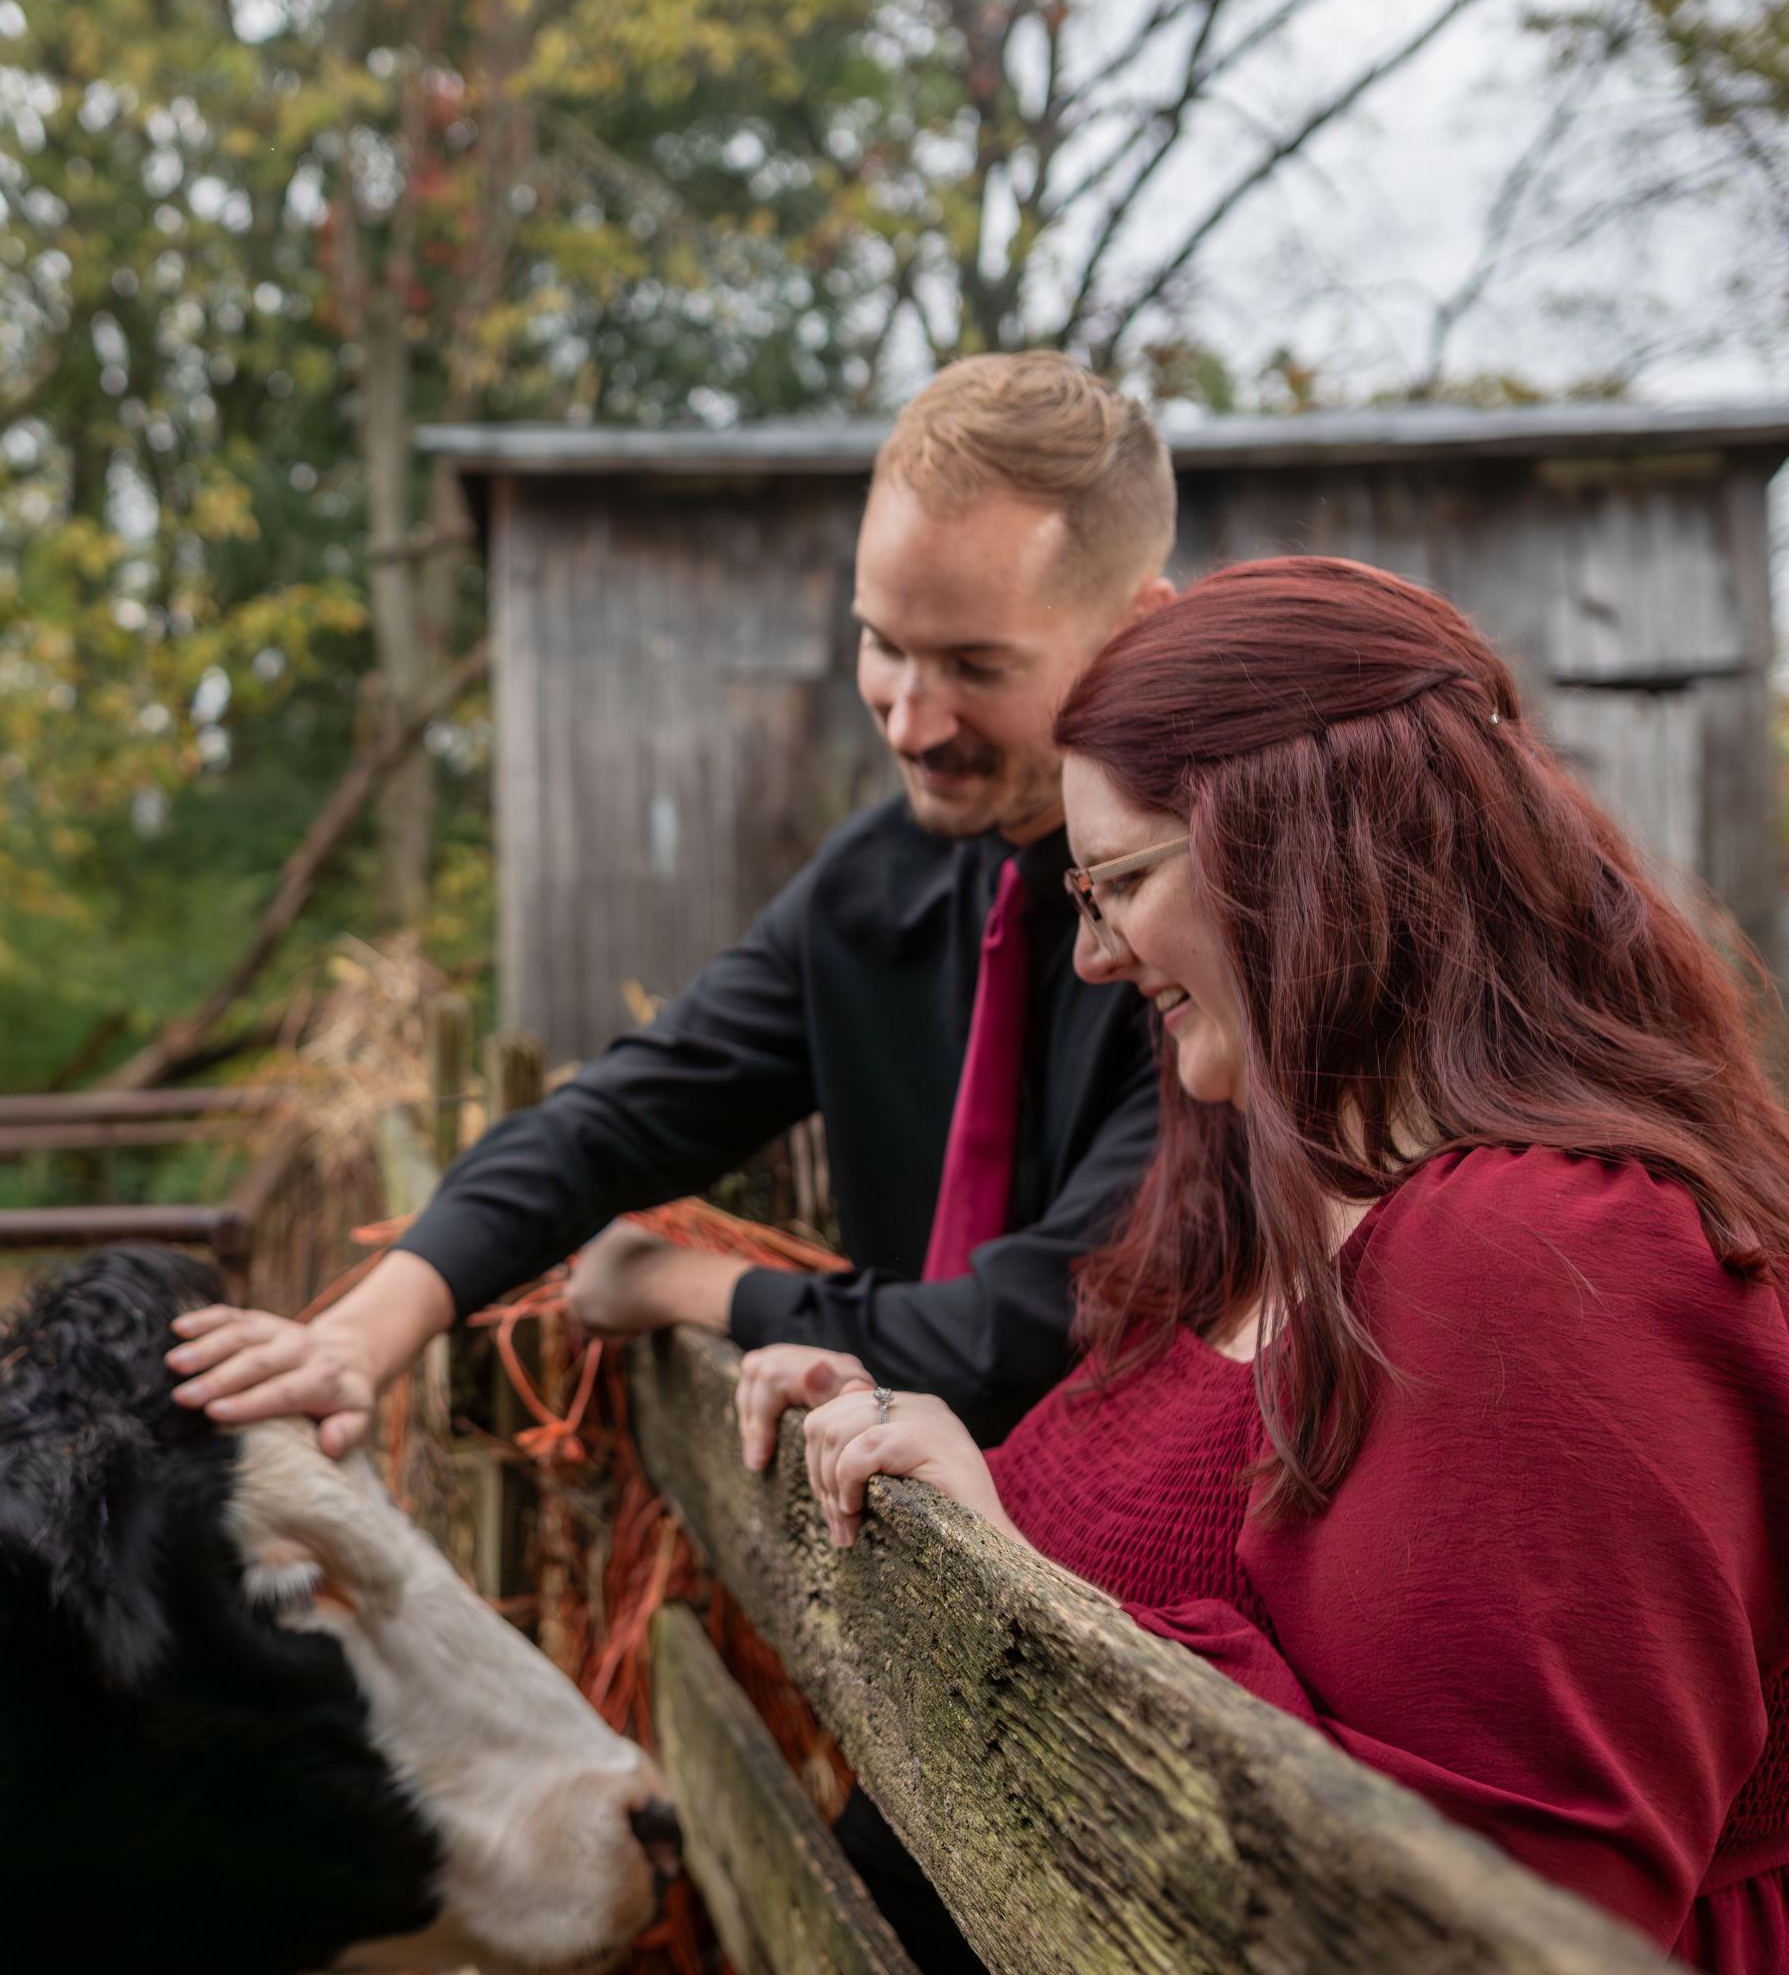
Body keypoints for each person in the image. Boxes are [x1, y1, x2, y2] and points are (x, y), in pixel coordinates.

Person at [745, 556, 1789, 1971]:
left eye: (1119, 884)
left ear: (1305, 852)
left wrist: (1031, 1603)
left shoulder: (1539, 1263)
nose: (1097, 957)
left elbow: (1499, 1908)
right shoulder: (1264, 1200)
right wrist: (917, 1455)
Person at [166, 353, 1174, 1454]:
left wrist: (682, 1282)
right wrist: (364, 1329)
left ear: (1133, 626)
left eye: (976, 666)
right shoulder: (867, 884)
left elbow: (1020, 1335)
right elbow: (614, 1117)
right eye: (883, 644)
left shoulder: (1203, 942)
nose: (908, 722)